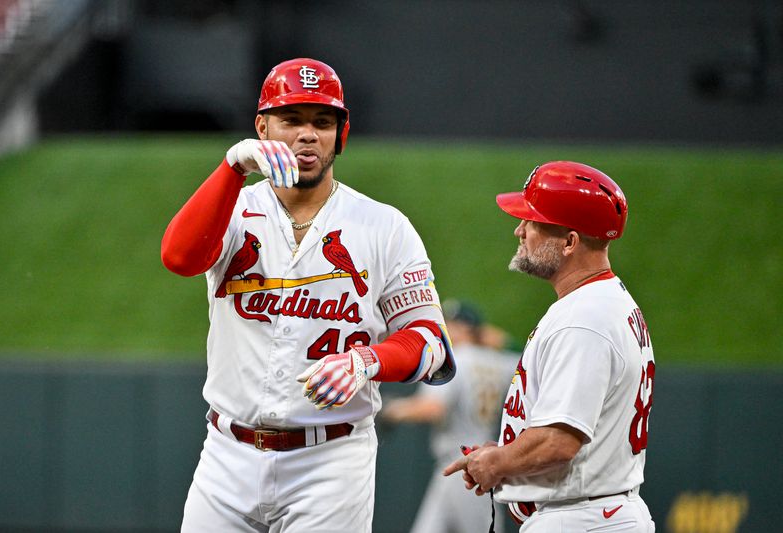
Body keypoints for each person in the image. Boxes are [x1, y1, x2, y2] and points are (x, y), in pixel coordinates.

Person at [161, 58, 455, 533]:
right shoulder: (231, 210)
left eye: (322, 122)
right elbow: (178, 257)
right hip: (226, 454)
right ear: (262, 127)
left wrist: (368, 360)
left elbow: (430, 342)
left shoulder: (383, 226)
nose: (307, 134)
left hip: (330, 460)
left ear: (341, 134)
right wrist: (232, 166)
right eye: (291, 120)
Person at [444, 161, 656, 532]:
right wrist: (505, 451)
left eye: (531, 222)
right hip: (598, 511)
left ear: (570, 241)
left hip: (582, 518)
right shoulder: (604, 302)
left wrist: (496, 463)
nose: (519, 230)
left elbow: (559, 442)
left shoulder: (584, 318)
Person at [381, 299, 517, 533]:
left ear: (465, 328)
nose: (445, 329)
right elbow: (525, 359)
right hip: (467, 463)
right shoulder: (498, 362)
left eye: (452, 324)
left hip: (468, 468)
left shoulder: (456, 359)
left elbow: (433, 408)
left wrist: (395, 410)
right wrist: (502, 340)